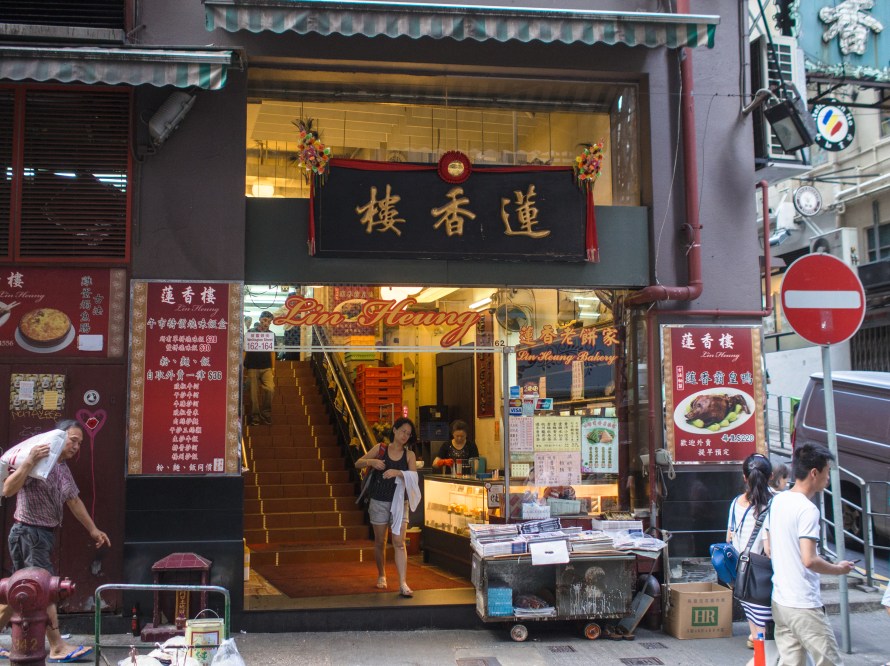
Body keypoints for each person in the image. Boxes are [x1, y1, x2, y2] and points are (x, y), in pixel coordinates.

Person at [0, 420, 111, 662]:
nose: (76, 446)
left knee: (19, 589)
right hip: (29, 533)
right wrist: (28, 463)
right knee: (41, 590)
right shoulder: (39, 462)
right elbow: (7, 489)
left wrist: (93, 530)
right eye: (73, 440)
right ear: (58, 438)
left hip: (43, 535)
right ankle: (57, 645)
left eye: (79, 443)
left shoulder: (61, 468)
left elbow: (73, 500)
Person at [766, 443, 856, 666]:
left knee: (791, 662)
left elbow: (770, 547)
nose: (828, 478)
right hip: (803, 604)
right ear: (814, 473)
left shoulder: (778, 500)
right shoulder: (807, 509)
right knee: (830, 662)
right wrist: (839, 569)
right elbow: (809, 560)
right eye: (827, 471)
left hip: (780, 601)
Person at [355, 417, 419, 598]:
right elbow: (358, 462)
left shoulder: (409, 455)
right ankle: (382, 574)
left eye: (408, 433)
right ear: (394, 430)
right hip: (379, 501)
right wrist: (372, 462)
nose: (405, 435)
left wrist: (398, 472)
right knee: (380, 541)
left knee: (399, 543)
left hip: (400, 503)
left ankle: (402, 583)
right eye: (403, 431)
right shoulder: (380, 449)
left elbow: (413, 477)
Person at [726, 453, 773, 656]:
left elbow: (729, 537)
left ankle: (760, 655)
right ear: (770, 477)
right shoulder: (775, 503)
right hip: (764, 573)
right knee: (766, 633)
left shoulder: (736, 502)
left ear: (744, 477)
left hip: (742, 571)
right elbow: (770, 548)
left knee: (756, 631)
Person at [244, 310, 275, 425]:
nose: (266, 323)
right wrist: (243, 365)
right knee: (253, 394)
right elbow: (245, 350)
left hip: (266, 367)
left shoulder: (271, 334)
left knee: (270, 389)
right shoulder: (250, 332)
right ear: (260, 320)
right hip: (252, 366)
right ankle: (255, 416)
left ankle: (266, 413)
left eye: (269, 321)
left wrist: (273, 368)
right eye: (264, 320)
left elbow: (272, 352)